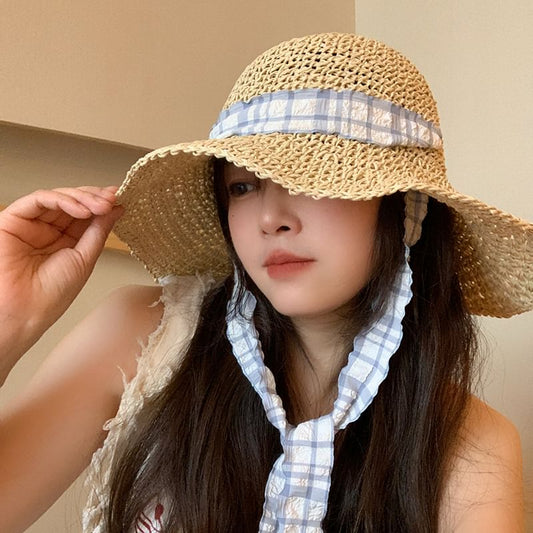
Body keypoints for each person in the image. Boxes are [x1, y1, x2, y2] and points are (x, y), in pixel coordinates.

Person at [0, 33, 530, 533]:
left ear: (406, 208)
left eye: (313, 177)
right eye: (243, 186)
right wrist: (9, 318)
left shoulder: (472, 447)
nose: (270, 218)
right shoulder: (142, 337)